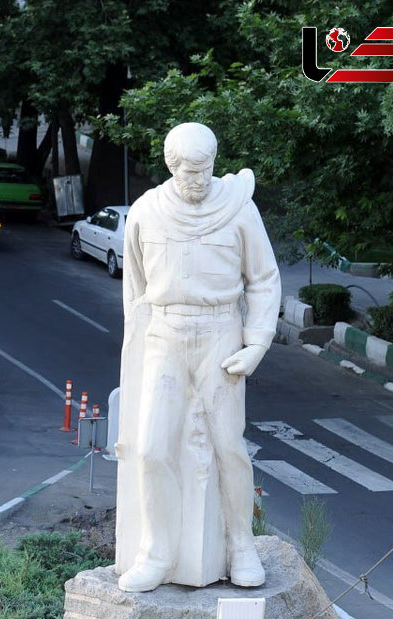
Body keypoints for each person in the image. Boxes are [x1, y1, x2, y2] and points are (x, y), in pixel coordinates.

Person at [113, 122, 281, 593]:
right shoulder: (147, 211)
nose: (200, 179)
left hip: (221, 332)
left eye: (206, 169)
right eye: (190, 170)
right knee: (151, 448)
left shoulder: (239, 210)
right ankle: (156, 552)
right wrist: (139, 349)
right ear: (172, 166)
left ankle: (241, 545)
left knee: (229, 445)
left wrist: (257, 342)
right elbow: (135, 290)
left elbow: (264, 278)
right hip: (165, 334)